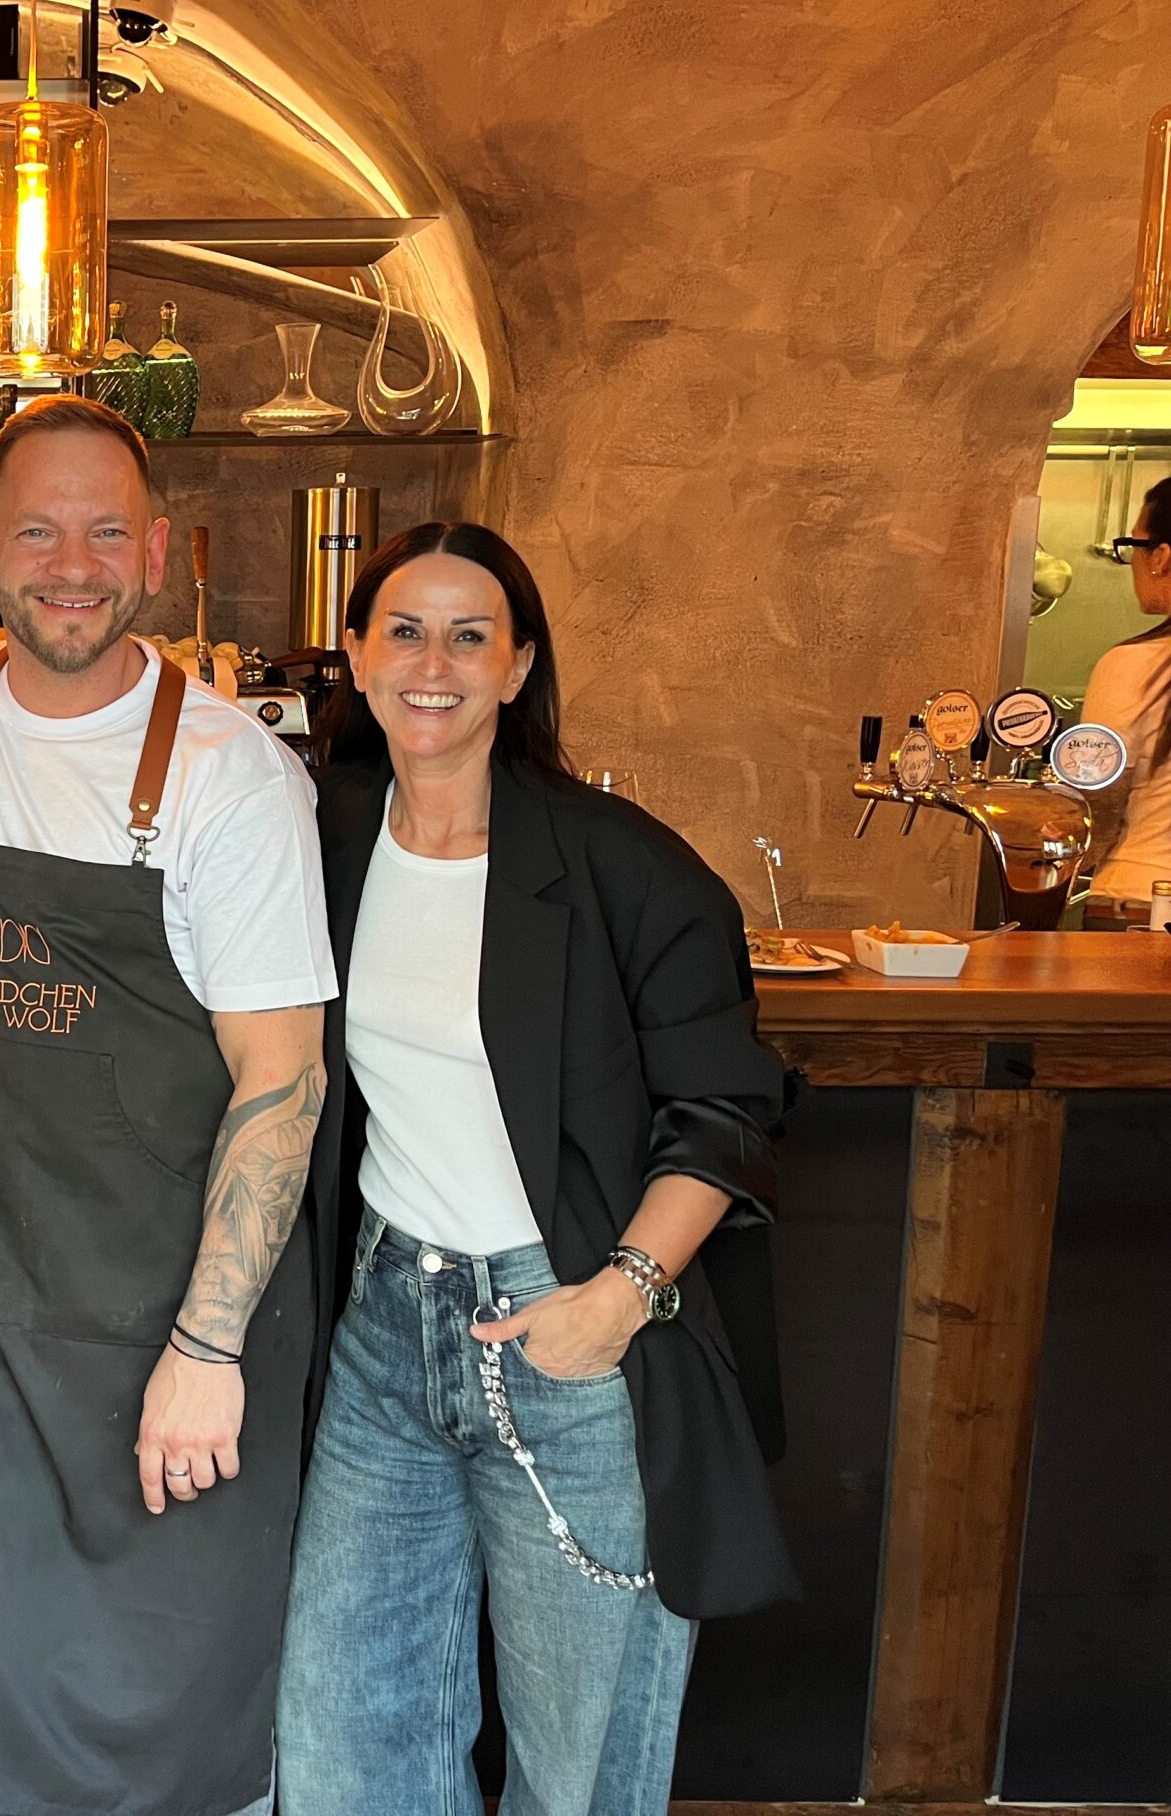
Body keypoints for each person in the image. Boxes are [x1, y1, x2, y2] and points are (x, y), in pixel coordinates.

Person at [275, 522, 792, 1815]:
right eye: (402, 629)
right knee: (346, 1744)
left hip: (570, 1330)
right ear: (354, 652)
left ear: (517, 668)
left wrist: (616, 1299)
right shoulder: (321, 832)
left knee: (583, 1766)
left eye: (470, 635)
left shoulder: (625, 867)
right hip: (384, 1328)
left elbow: (726, 1109)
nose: (431, 664)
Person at [0, 394, 335, 1816]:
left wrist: (208, 1346)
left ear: (158, 554)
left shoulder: (229, 778)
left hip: (178, 1316)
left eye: (104, 533)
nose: (69, 564)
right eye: (34, 531)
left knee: (174, 1732)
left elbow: (284, 1077)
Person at [1081, 475, 1171, 929]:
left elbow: (1096, 803)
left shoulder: (1133, 665)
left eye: (1133, 545)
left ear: (1162, 557)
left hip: (1143, 905)